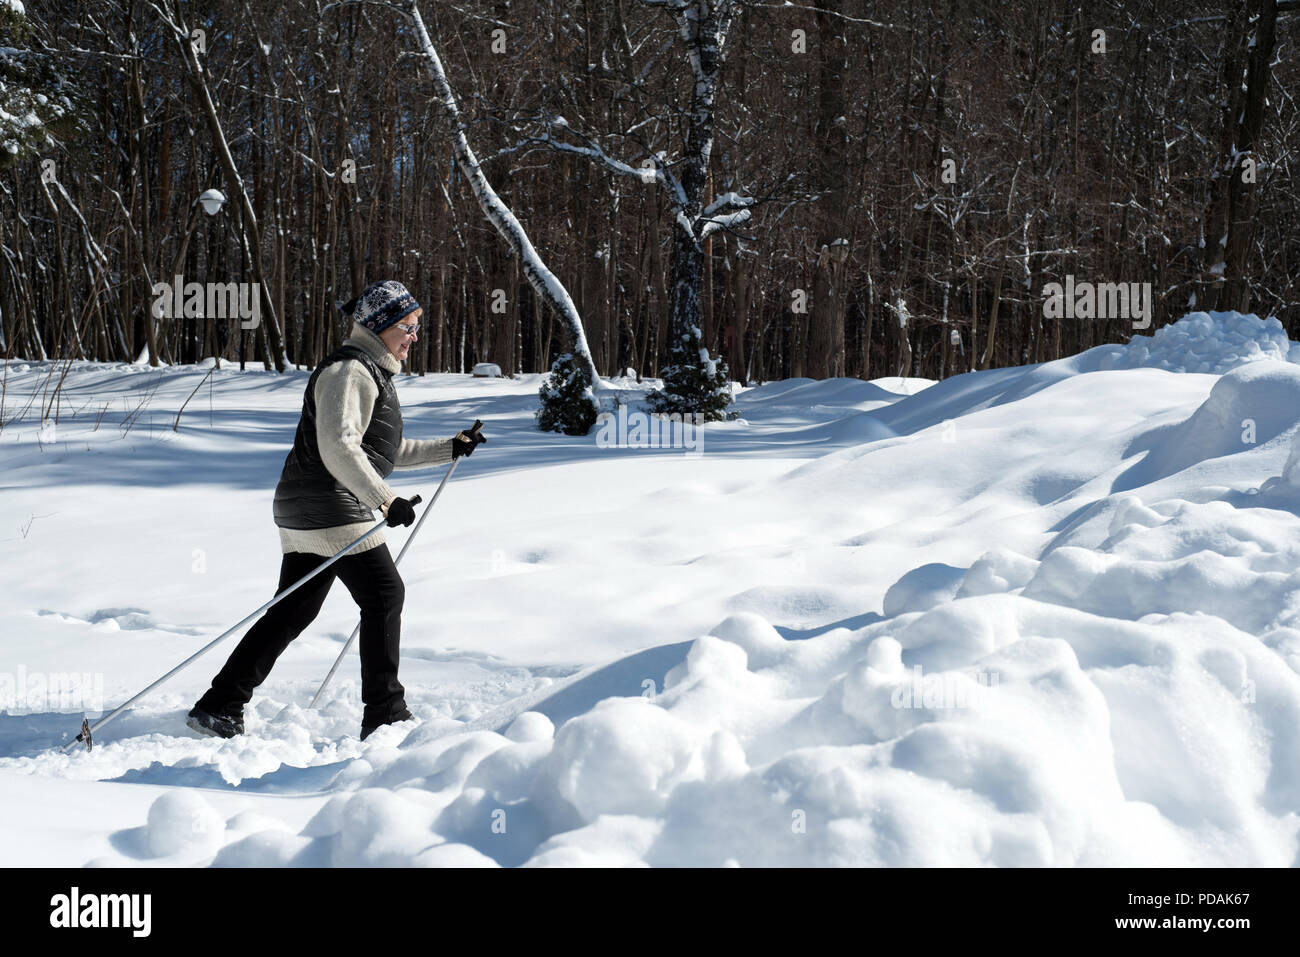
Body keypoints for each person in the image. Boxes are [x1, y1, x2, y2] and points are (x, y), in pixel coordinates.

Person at [187, 280, 485, 741]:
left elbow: (381, 449)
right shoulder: (350, 372)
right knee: (384, 595)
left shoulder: (368, 372)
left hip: (310, 502)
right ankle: (385, 712)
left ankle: (220, 704)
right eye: (407, 326)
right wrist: (384, 499)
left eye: (417, 327)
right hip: (332, 503)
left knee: (293, 611)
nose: (414, 337)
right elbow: (339, 446)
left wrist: (450, 448)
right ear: (380, 326)